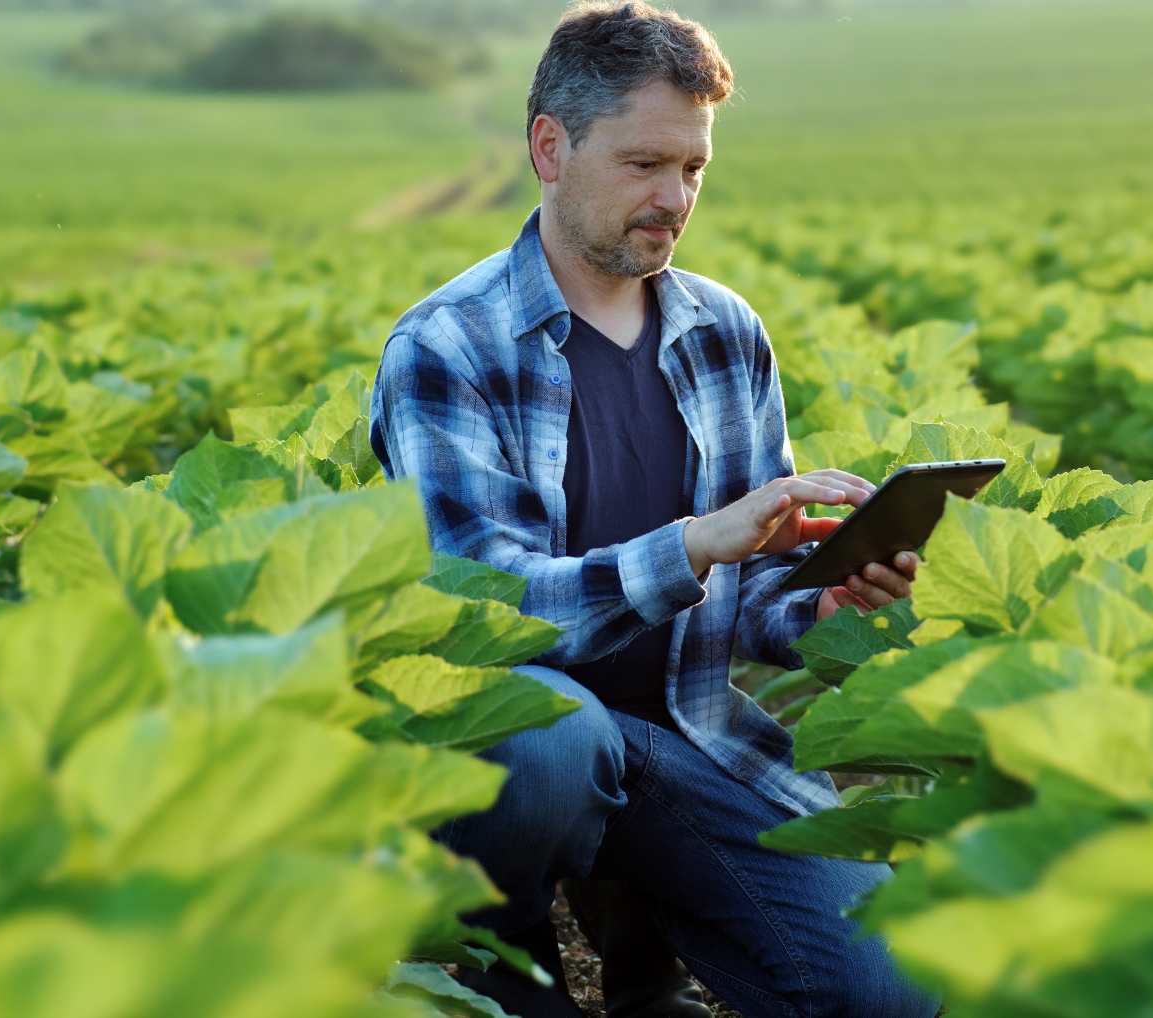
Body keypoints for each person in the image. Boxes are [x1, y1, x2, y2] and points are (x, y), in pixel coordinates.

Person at [367, 4, 939, 1017]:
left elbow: (757, 583)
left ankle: (641, 935)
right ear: (551, 147)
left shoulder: (726, 332)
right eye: (643, 166)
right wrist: (690, 545)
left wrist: (821, 604)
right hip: (513, 742)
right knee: (556, 740)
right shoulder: (448, 346)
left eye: (694, 169)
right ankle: (498, 959)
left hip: (690, 729)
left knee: (885, 997)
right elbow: (478, 605)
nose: (674, 198)